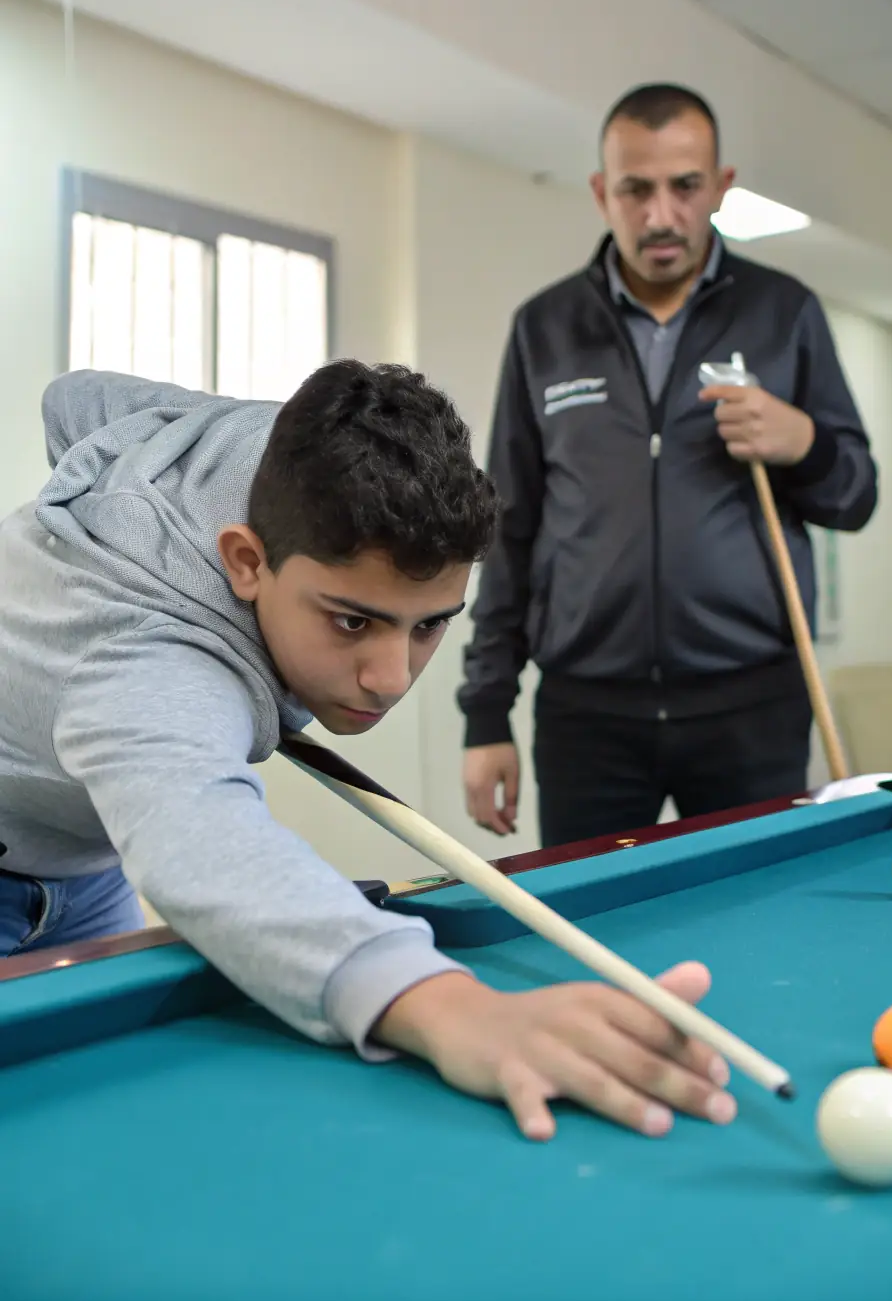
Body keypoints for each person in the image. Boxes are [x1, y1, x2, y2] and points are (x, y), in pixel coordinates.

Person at [0, 359, 736, 1140]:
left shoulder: (266, 448)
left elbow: (74, 400)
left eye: (428, 624)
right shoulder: (142, 661)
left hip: (84, 860)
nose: (391, 679)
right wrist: (456, 1008)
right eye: (352, 620)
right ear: (246, 560)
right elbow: (201, 843)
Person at [460, 82, 878, 847]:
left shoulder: (784, 312)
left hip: (752, 708)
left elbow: (856, 493)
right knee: (589, 934)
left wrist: (803, 443)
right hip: (588, 716)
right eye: (636, 189)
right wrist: (486, 714)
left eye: (685, 187)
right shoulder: (544, 328)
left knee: (764, 932)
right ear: (601, 192)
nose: (660, 215)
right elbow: (508, 528)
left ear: (721, 186)